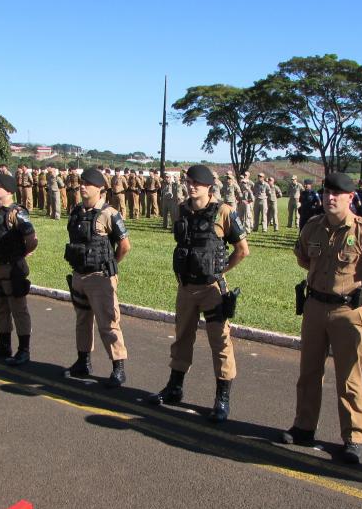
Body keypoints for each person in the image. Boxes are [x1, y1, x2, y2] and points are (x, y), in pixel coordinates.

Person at [281, 172, 362, 464]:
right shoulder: (313, 227)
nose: (330, 198)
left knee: (349, 378)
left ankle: (353, 438)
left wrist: (360, 280)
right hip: (315, 307)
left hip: (347, 312)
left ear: (350, 198)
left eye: (337, 194)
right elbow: (303, 257)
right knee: (308, 372)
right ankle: (304, 427)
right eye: (326, 193)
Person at [147, 164, 250, 423]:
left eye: (197, 183)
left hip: (211, 289)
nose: (191, 187)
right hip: (186, 287)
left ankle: (222, 398)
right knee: (181, 338)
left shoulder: (224, 212)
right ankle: (175, 387)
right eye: (189, 182)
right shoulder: (182, 210)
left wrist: (221, 270)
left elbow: (242, 249)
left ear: (208, 187)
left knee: (220, 343)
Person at [63, 168, 131, 387]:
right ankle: (83, 361)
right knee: (82, 321)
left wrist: (111, 265)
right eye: (82, 183)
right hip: (79, 275)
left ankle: (118, 368)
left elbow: (124, 245)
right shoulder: (76, 212)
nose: (83, 186)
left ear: (100, 189)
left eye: (88, 184)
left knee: (108, 323)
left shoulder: (109, 214)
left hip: (100, 278)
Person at [0, 172, 39, 365]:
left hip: (12, 267)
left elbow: (31, 239)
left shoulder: (17, 212)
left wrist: (22, 253)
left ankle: (24, 350)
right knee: (0, 308)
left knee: (18, 309)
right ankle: (4, 345)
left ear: (9, 190)